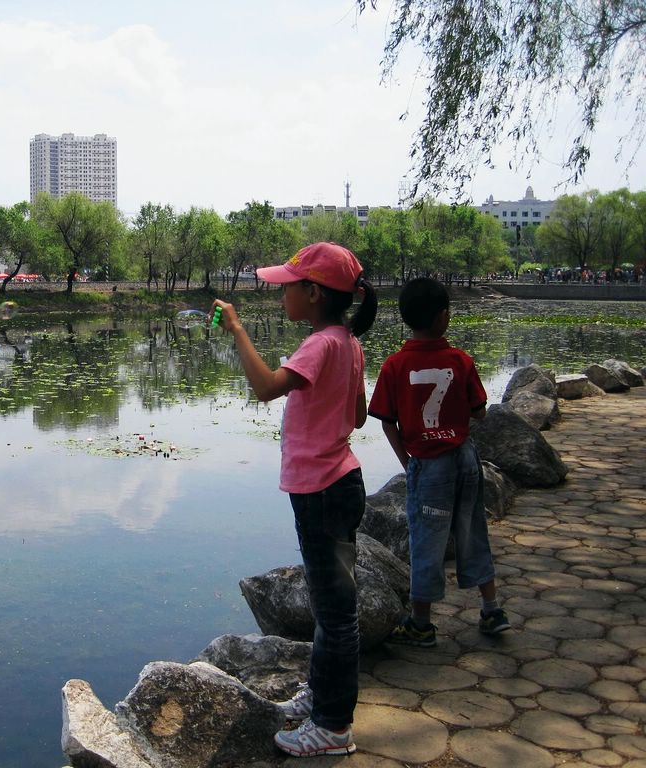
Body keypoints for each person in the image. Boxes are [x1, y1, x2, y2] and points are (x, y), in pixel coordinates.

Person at [211, 241, 377, 759]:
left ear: (314, 292)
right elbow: (357, 416)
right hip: (339, 483)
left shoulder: (319, 345)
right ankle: (322, 698)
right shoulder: (347, 342)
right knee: (333, 608)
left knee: (335, 613)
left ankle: (332, 727)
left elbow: (264, 388)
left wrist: (238, 331)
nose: (281, 292)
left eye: (288, 285)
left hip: (322, 492)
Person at [367, 277, 510, 648]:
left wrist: (408, 461)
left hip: (428, 465)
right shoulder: (460, 360)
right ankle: (492, 608)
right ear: (444, 317)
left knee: (425, 541)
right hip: (463, 459)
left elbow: (386, 420)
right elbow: (479, 413)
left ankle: (421, 623)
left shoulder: (394, 366)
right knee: (473, 530)